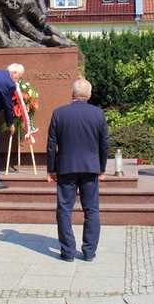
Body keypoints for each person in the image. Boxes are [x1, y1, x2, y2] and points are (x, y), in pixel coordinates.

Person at [46, 79, 109, 262]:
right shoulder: (98, 114)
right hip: (90, 168)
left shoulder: (59, 113)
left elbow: (51, 144)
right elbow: (104, 142)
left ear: (72, 93)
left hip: (66, 167)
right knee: (91, 210)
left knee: (65, 210)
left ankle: (68, 251)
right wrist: (101, 168)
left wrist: (51, 169)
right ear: (89, 95)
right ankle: (89, 251)